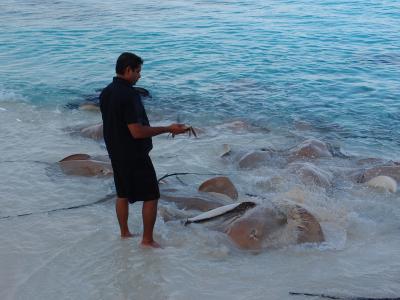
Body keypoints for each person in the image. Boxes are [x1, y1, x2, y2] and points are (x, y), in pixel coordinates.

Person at [100, 52, 188, 247]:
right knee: (151, 196)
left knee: (122, 194)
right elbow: (137, 132)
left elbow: (112, 124)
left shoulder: (106, 92)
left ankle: (124, 233)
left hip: (115, 152)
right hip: (134, 154)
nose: (140, 76)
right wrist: (168, 128)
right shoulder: (130, 95)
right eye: (138, 71)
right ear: (128, 70)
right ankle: (147, 240)